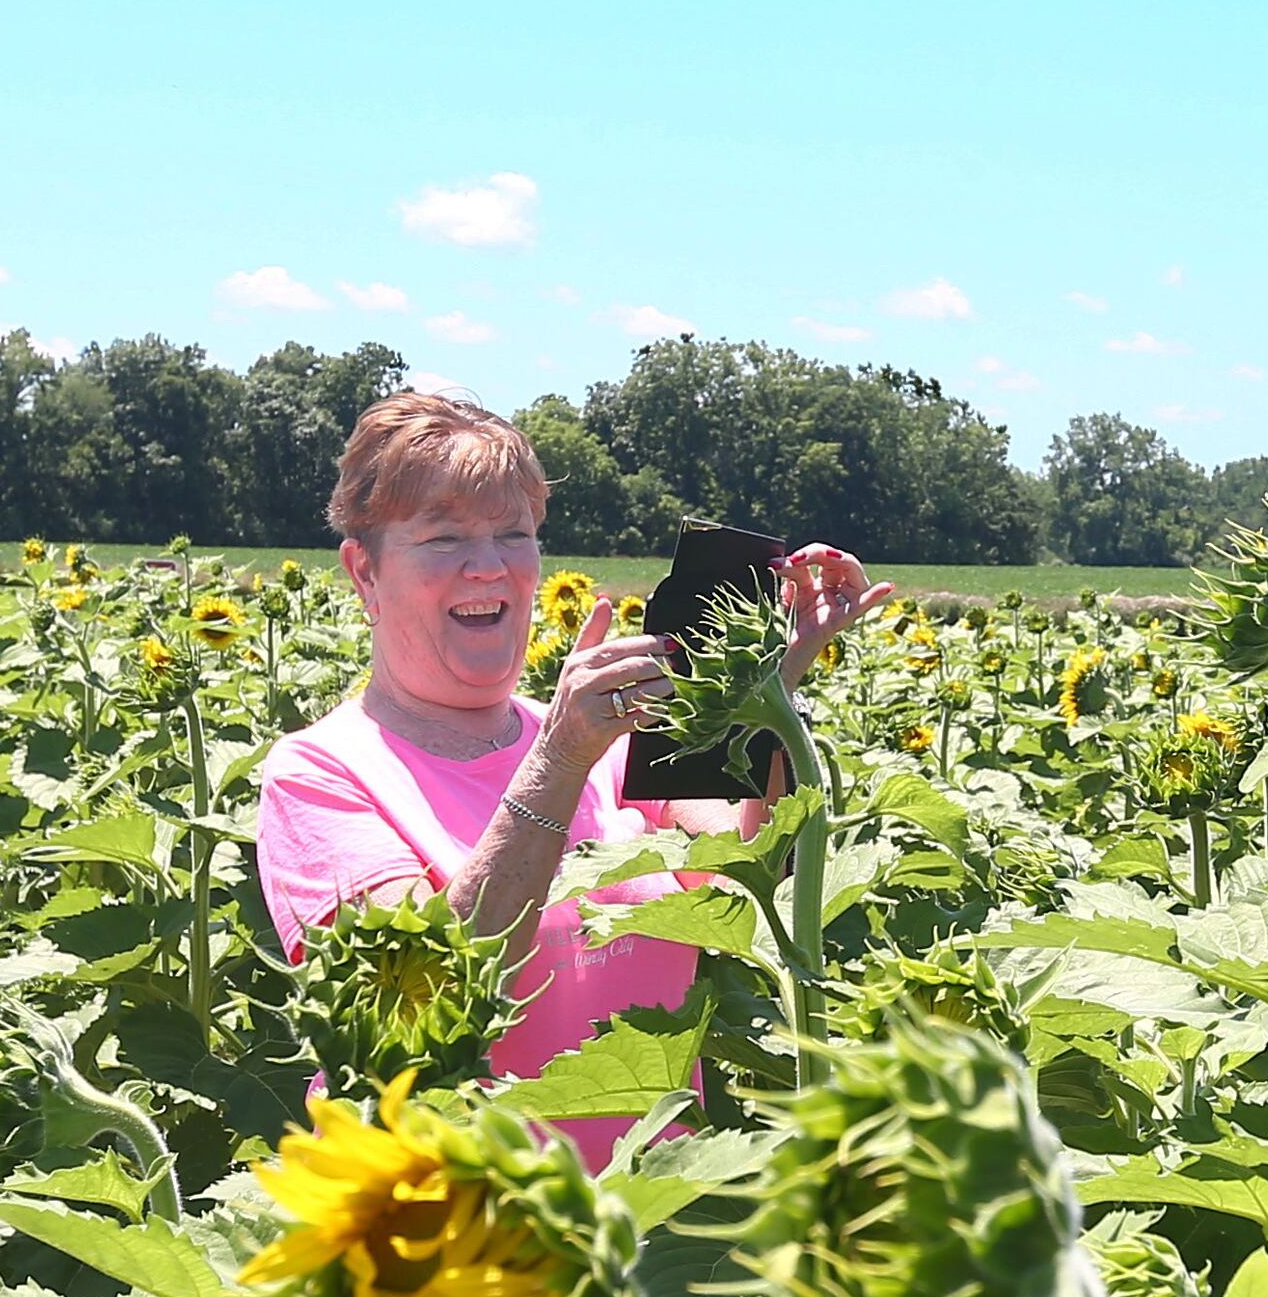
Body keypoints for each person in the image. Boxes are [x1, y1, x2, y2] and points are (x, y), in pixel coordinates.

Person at [253, 391, 879, 1154]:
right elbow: (416, 1009)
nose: (487, 567)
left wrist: (770, 689)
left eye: (513, 534)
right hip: (458, 1231)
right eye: (445, 537)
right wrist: (556, 760)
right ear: (365, 573)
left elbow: (744, 869)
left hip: (644, 1217)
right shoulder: (322, 773)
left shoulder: (609, 738)